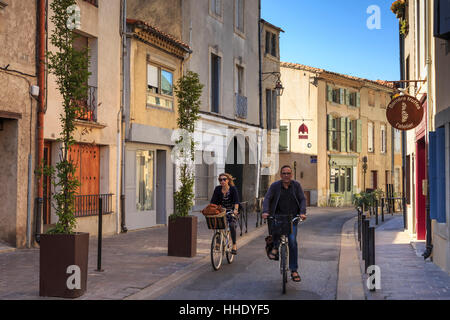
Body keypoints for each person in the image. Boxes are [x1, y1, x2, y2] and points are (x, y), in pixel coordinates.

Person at [262, 165, 307, 282]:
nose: (286, 175)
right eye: (284, 173)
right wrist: (265, 211)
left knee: (292, 242)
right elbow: (267, 198)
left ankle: (293, 270)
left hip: (292, 218)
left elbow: (302, 199)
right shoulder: (275, 186)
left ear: (291, 175)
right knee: (276, 231)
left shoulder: (296, 186)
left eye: (288, 173)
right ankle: (276, 247)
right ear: (281, 175)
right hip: (278, 216)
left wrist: (302, 212)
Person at [210, 173, 240, 255]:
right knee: (217, 224)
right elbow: (213, 202)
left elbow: (236, 201)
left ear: (228, 180)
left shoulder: (233, 189)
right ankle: (218, 241)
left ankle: (234, 245)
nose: (222, 181)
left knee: (232, 225)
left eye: (224, 179)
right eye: (220, 180)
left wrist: (235, 210)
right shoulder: (217, 189)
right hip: (221, 211)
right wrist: (212, 209)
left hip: (231, 210)